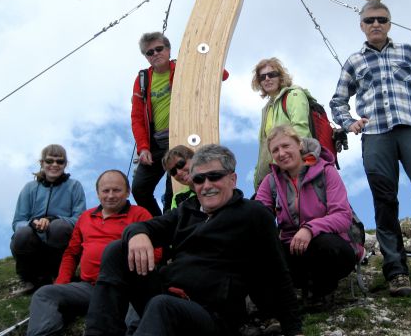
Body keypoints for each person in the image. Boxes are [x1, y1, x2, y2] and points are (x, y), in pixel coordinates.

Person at [83, 144, 303, 336]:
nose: (206, 185)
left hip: (211, 315)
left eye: (214, 176)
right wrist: (138, 234)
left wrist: (294, 331)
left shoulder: (253, 214)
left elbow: (278, 274)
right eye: (199, 179)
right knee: (116, 251)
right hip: (166, 295)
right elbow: (145, 226)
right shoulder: (186, 210)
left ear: (233, 178)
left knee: (163, 306)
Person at [329, 0, 411, 301]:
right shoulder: (354, 61)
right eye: (369, 21)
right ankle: (396, 272)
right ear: (361, 26)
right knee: (384, 201)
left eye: (382, 19)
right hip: (376, 136)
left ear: (389, 24)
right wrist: (350, 122)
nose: (376, 24)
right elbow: (337, 100)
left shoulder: (409, 52)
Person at [26, 170, 160, 336]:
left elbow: (156, 251)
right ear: (97, 193)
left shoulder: (140, 214)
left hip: (126, 289)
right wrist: (61, 283)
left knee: (139, 314)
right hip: (89, 288)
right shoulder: (85, 217)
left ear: (128, 192)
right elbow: (71, 253)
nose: (110, 195)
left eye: (117, 190)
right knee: (44, 294)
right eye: (105, 191)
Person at [255, 125, 358, 303]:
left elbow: (342, 216)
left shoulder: (327, 171)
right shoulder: (270, 182)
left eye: (286, 146)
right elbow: (257, 218)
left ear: (300, 145)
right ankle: (276, 305)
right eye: (275, 150)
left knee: (327, 244)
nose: (281, 153)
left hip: (328, 246)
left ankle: (322, 291)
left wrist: (309, 229)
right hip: (291, 248)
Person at [131, 32, 229, 216]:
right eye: (149, 52)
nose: (155, 54)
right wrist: (143, 148)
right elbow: (137, 117)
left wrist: (198, 58)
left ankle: (173, 224)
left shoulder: (183, 66)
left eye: (159, 49)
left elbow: (222, 75)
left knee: (173, 191)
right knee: (139, 189)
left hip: (180, 138)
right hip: (155, 144)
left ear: (168, 50)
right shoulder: (142, 79)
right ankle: (161, 222)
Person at [11, 144, 86, 295]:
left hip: (60, 242)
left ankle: (59, 275)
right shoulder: (29, 188)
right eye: (49, 161)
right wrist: (33, 223)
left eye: (60, 162)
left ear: (66, 164)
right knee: (22, 234)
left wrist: (53, 219)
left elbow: (80, 219)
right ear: (42, 163)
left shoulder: (74, 186)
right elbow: (18, 222)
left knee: (59, 227)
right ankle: (29, 279)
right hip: (34, 242)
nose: (54, 165)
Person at [251, 57, 312, 191]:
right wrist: (258, 178)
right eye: (262, 77)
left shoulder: (294, 95)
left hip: (292, 172)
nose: (267, 79)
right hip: (273, 175)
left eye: (271, 74)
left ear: (280, 77)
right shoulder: (266, 109)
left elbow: (301, 131)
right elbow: (263, 148)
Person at [161, 145, 196, 209]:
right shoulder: (178, 198)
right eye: (173, 172)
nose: (179, 173)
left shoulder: (217, 183)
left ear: (194, 159)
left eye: (180, 164)